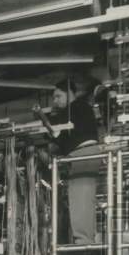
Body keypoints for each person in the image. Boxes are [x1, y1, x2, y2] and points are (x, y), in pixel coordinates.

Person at [46, 76, 103, 245]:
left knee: (79, 198)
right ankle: (87, 237)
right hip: (87, 153)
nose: (55, 101)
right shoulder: (81, 109)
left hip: (82, 154)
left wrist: (52, 135)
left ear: (69, 93)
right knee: (84, 197)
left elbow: (62, 139)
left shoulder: (74, 108)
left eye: (58, 96)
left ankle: (83, 239)